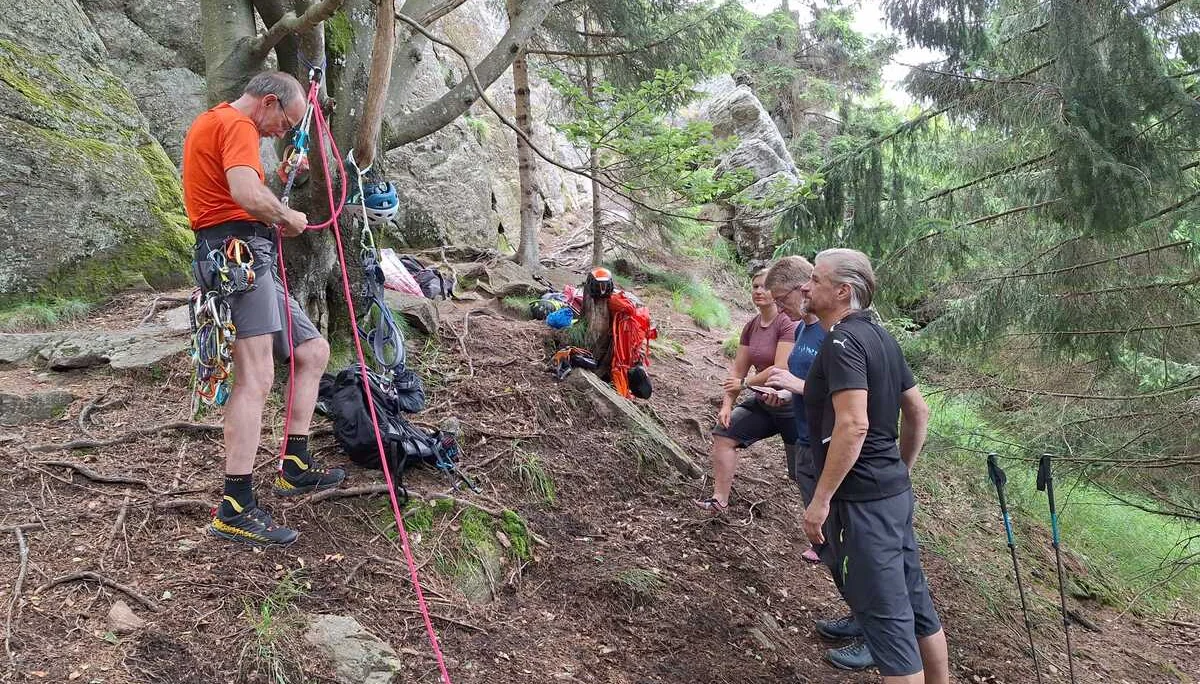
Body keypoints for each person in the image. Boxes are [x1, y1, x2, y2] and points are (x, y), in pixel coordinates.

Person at [182, 70, 345, 547]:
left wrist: (278, 185)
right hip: (237, 257)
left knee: (312, 351)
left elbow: (241, 188)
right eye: (286, 122)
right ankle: (235, 505)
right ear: (267, 103)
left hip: (250, 258)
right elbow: (245, 196)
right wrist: (287, 215)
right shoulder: (237, 126)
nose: (284, 132)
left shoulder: (219, 126)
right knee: (256, 378)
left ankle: (293, 462)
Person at [798, 248, 948, 683]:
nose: (807, 286)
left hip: (863, 503)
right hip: (892, 495)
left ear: (843, 291)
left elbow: (854, 423)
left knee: (888, 629)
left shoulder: (842, 343)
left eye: (816, 279)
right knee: (919, 612)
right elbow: (918, 411)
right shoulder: (881, 336)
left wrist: (821, 499)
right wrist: (900, 470)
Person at [694, 268, 797, 513]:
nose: (759, 291)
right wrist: (727, 405)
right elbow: (738, 371)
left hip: (792, 407)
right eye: (755, 286)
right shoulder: (751, 326)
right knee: (724, 433)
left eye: (765, 286)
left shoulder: (788, 322)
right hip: (763, 402)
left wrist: (746, 384)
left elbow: (779, 368)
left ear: (778, 291)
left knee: (802, 473)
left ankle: (821, 538)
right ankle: (719, 501)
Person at [761, 256, 824, 563]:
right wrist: (784, 393)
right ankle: (824, 545)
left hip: (826, 441)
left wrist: (796, 386)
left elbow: (846, 393)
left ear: (803, 290)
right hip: (804, 435)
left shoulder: (833, 333)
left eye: (782, 299)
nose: (779, 308)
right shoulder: (800, 330)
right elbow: (804, 383)